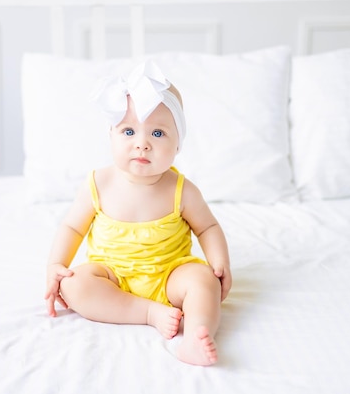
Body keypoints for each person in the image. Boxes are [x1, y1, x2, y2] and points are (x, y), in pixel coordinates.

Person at [44, 61, 231, 366]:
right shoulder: (98, 184)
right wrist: (56, 265)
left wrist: (220, 262)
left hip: (170, 275)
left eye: (158, 133)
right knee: (74, 284)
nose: (142, 144)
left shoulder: (181, 190)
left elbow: (208, 227)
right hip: (112, 277)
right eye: (129, 131)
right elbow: (72, 228)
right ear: (111, 134)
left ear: (178, 144)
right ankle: (147, 313)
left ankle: (196, 336)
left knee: (203, 281)